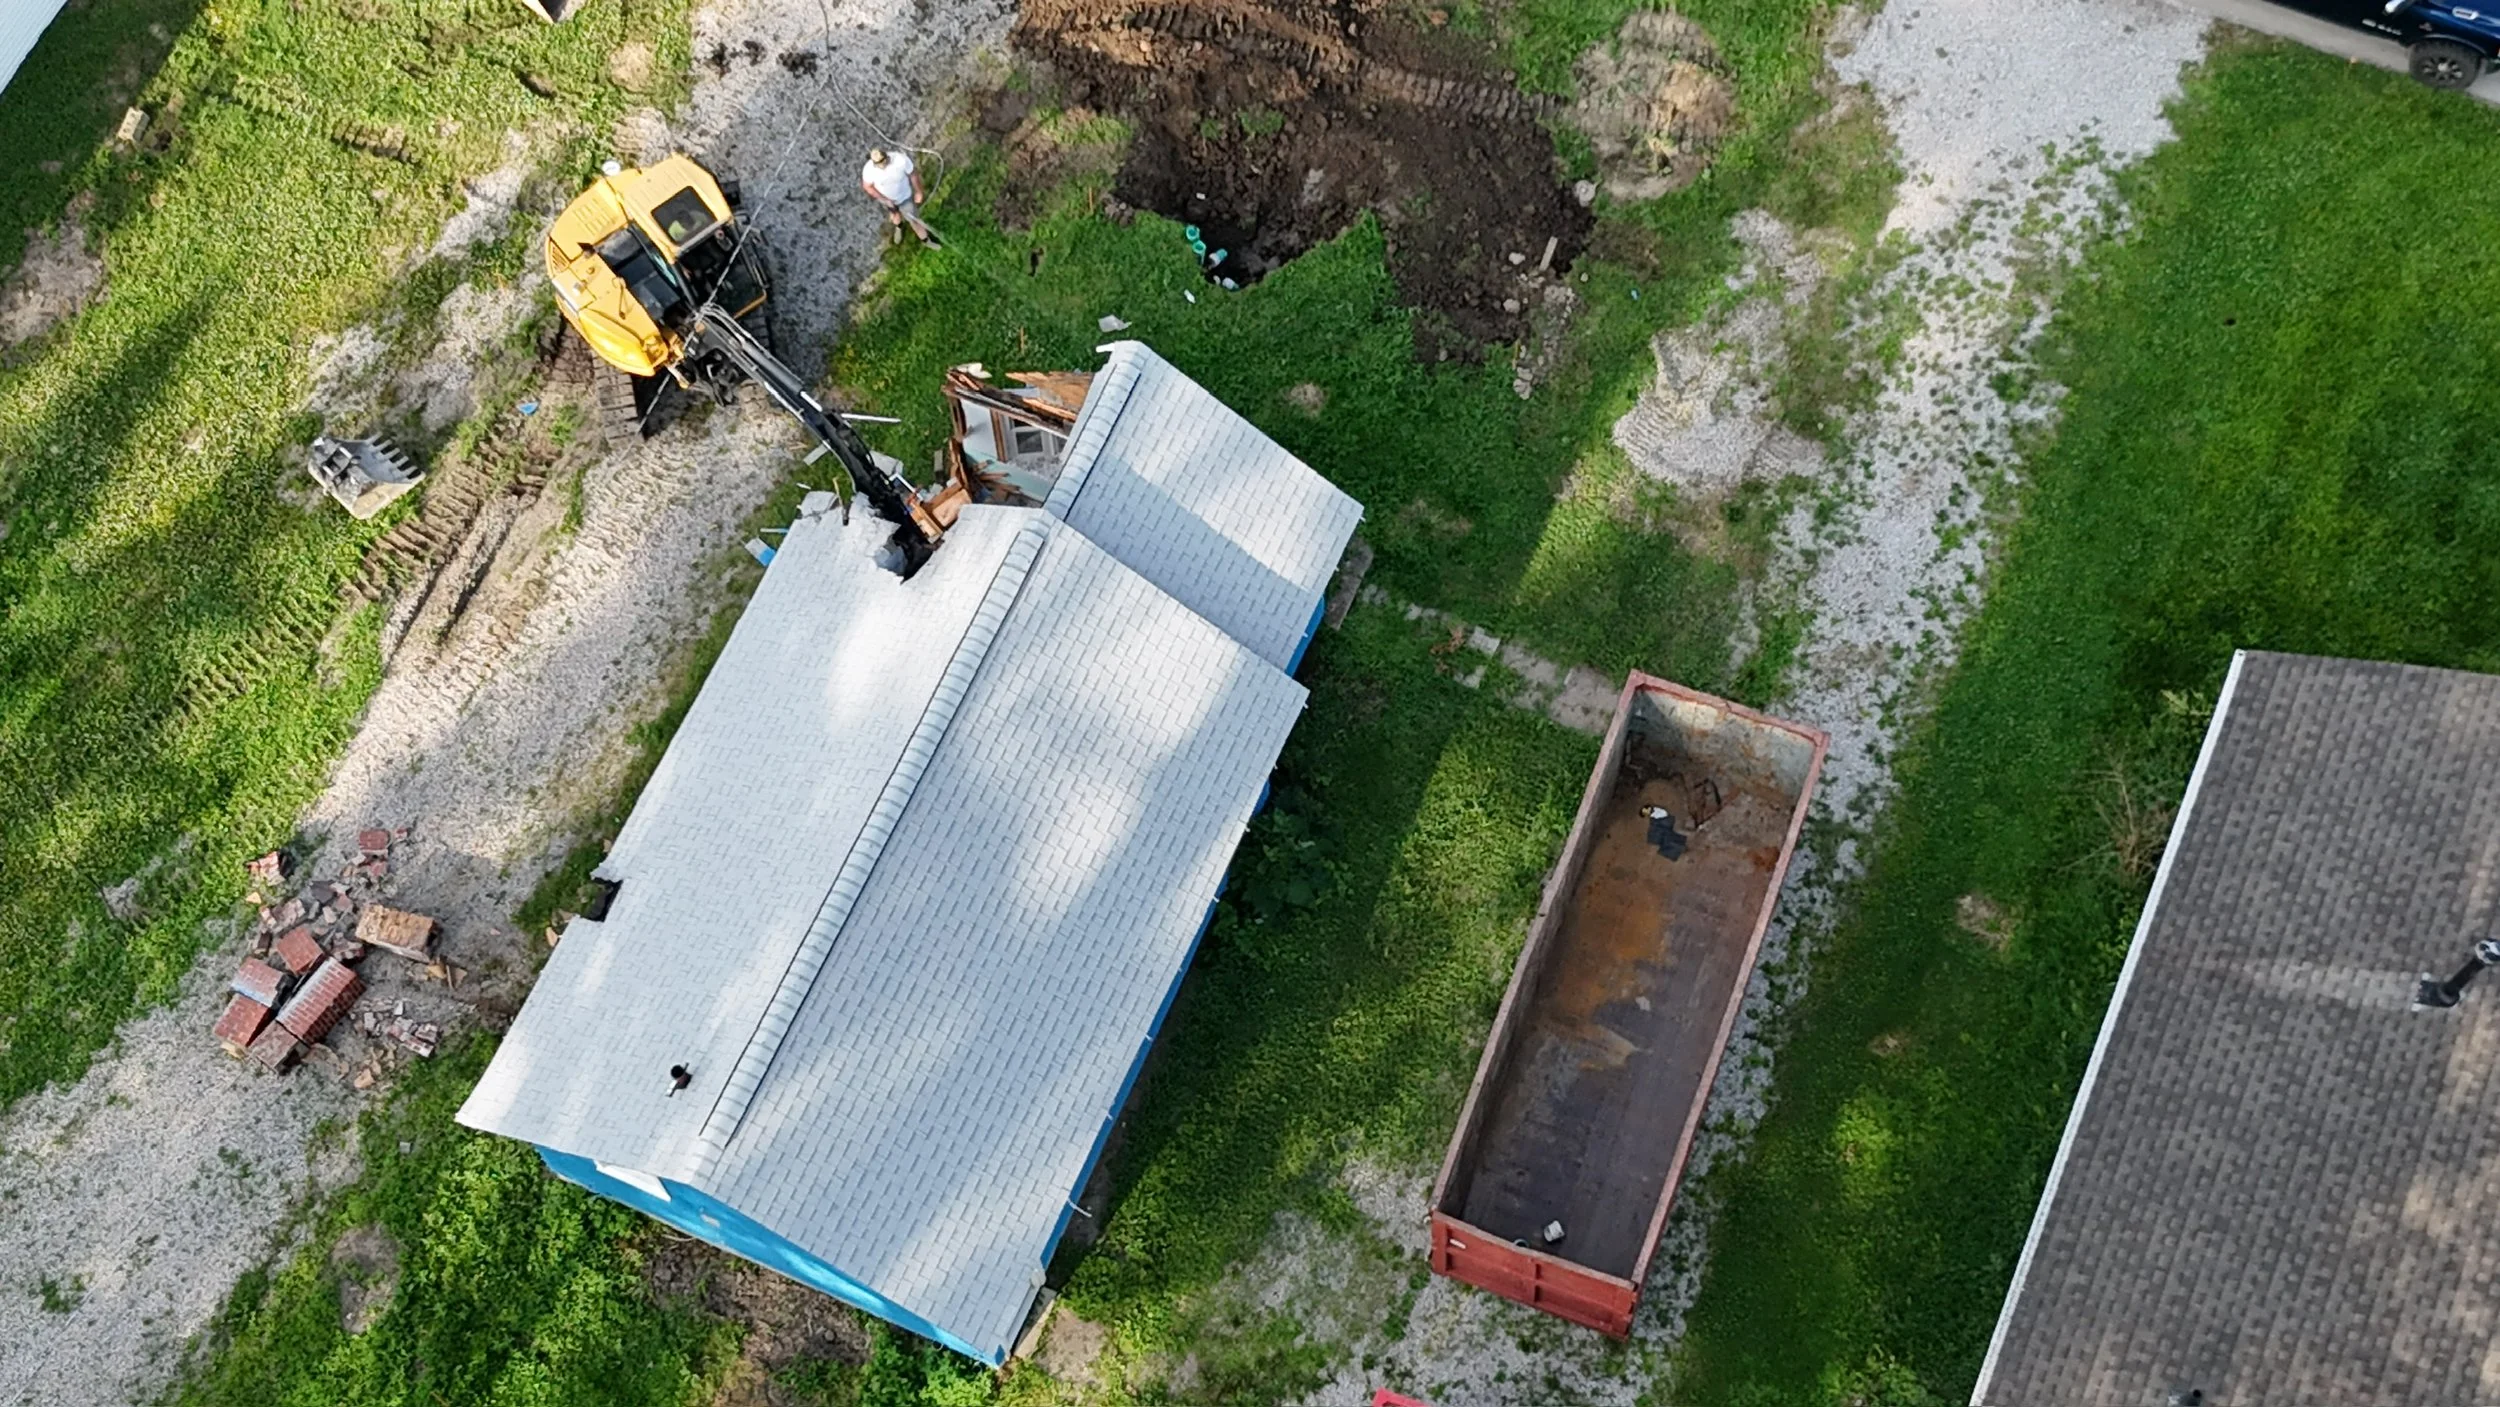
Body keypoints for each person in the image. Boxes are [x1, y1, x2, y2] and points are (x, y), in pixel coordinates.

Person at [859, 148, 938, 246]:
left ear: (886, 156)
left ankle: (926, 241)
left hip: (905, 197)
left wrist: (918, 192)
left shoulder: (900, 160)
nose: (882, 165)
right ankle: (899, 227)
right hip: (887, 200)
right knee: (895, 216)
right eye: (878, 164)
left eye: (883, 161)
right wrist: (885, 200)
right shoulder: (869, 170)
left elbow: (913, 174)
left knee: (914, 220)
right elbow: (867, 186)